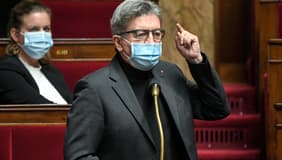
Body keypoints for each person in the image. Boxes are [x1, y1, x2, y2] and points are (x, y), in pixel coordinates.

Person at [64, 0, 230, 160]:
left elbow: (217, 109)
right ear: (118, 42)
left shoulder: (171, 74)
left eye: (156, 34)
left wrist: (196, 61)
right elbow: (79, 155)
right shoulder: (94, 89)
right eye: (141, 34)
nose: (151, 41)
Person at [0, 1, 72, 104]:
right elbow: (44, 111)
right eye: (34, 29)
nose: (42, 35)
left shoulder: (52, 71)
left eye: (46, 29)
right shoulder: (5, 72)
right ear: (15, 35)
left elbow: (72, 106)